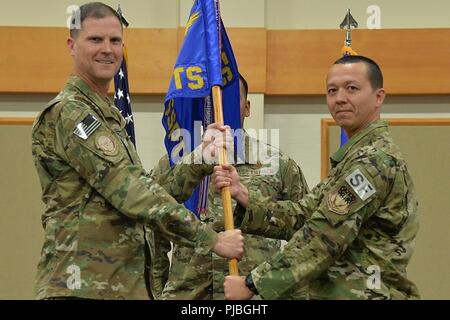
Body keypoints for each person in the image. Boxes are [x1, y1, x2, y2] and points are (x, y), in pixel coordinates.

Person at [31, 2, 244, 300]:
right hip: (82, 287)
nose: (107, 49)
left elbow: (146, 192)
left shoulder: (108, 116)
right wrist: (211, 239)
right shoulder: (70, 114)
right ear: (72, 45)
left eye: (115, 40)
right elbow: (132, 193)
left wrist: (200, 159)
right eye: (95, 39)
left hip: (118, 287)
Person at [216, 55, 420, 300]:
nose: (340, 98)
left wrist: (252, 284)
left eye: (352, 88)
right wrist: (246, 196)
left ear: (379, 97)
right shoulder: (353, 158)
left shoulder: (373, 161)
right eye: (332, 90)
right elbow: (304, 215)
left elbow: (324, 234)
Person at [148, 74, 309, 300]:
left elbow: (304, 233)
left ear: (247, 107)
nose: (219, 105)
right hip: (188, 295)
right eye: (212, 99)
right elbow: (151, 227)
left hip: (254, 295)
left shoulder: (278, 165)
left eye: (230, 97)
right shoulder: (175, 164)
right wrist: (156, 292)